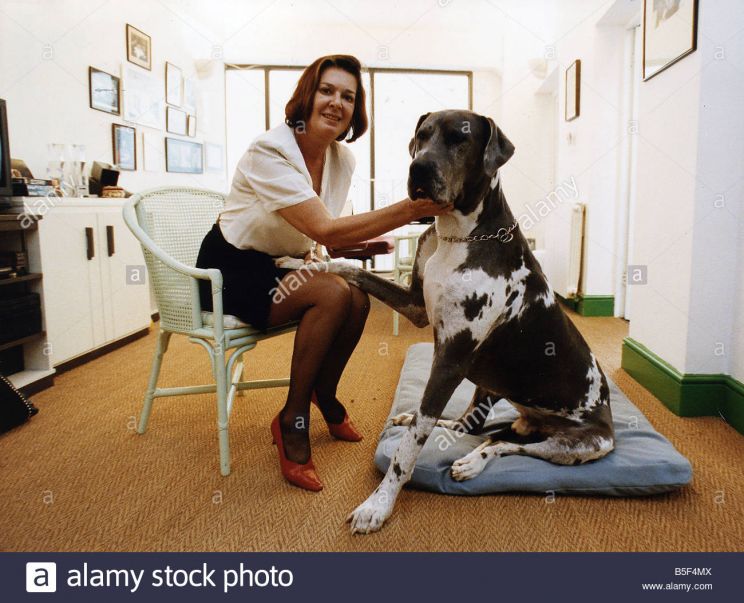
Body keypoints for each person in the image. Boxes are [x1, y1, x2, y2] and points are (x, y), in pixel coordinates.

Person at [196, 54, 450, 491]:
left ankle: (324, 393)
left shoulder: (342, 160)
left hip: (282, 266)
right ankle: (293, 419)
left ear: (356, 109)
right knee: (333, 293)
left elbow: (324, 237)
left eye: (348, 96)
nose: (336, 102)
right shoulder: (269, 151)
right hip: (231, 270)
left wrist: (365, 243)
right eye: (327, 90)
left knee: (356, 294)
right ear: (307, 96)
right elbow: (322, 226)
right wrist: (412, 209)